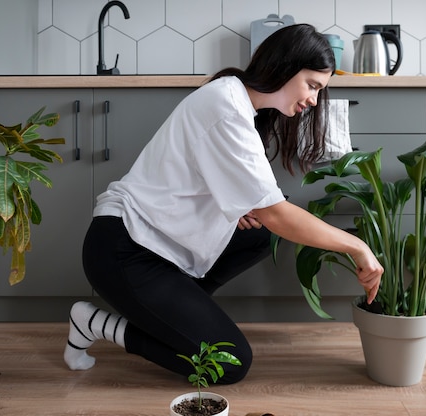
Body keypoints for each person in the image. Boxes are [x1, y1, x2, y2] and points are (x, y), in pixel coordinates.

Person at [64, 24, 383, 384]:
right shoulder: (227, 106)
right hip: (125, 248)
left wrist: (250, 206)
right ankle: (96, 323)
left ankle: (176, 315)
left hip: (159, 243)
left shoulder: (241, 105)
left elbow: (260, 205)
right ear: (284, 66)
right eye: (312, 85)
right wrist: (357, 245)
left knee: (261, 233)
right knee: (230, 363)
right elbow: (276, 213)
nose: (313, 100)